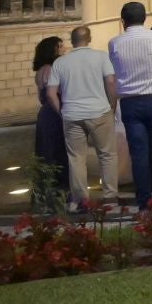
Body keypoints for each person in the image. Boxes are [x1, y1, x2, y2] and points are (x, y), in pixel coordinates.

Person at [108, 1, 152, 214]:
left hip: (130, 102)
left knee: (139, 155)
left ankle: (144, 204)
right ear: (145, 18)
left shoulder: (114, 43)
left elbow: (115, 68)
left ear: (122, 21)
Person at [47, 25, 119, 211]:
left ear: (72, 40)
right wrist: (112, 105)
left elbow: (50, 93)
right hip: (100, 112)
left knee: (76, 158)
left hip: (72, 115)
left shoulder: (60, 63)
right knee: (107, 155)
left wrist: (61, 111)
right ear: (89, 38)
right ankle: (110, 198)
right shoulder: (102, 57)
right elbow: (111, 82)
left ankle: (80, 200)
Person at [32, 35, 70, 192]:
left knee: (48, 149)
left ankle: (49, 186)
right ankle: (58, 187)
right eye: (60, 46)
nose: (64, 48)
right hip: (55, 111)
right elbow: (51, 93)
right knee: (56, 149)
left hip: (47, 112)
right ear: (52, 50)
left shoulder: (42, 69)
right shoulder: (50, 69)